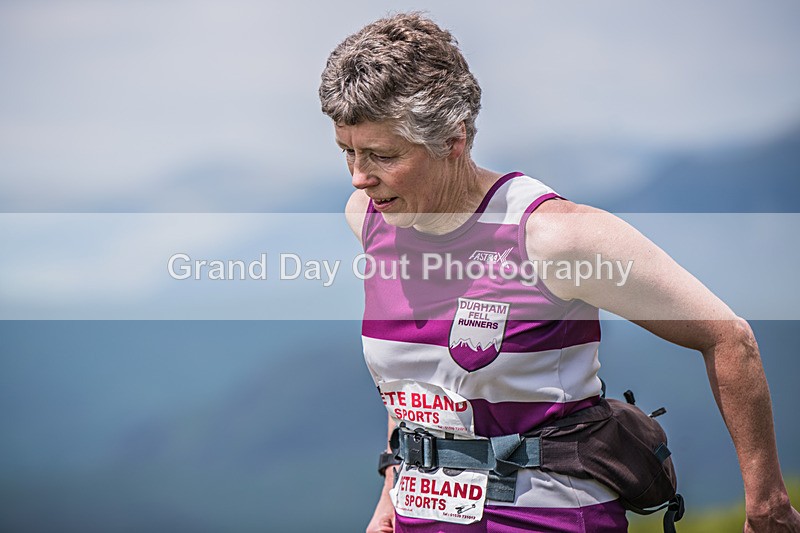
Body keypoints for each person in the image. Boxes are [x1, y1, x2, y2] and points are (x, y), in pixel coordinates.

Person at [318, 12, 800, 533]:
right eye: (348, 152)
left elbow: (728, 338)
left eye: (381, 155)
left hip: (549, 519)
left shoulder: (552, 236)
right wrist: (391, 494)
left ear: (452, 139)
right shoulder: (370, 219)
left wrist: (767, 506)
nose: (359, 177)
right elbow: (416, 382)